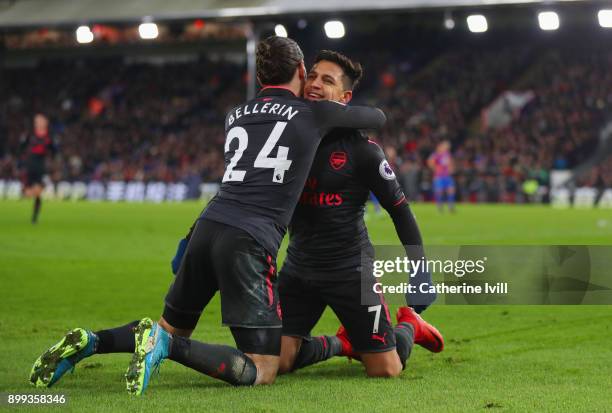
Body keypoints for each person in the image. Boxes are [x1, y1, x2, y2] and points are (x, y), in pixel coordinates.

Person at [29, 36, 386, 395]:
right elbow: (376, 117)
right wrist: (336, 107)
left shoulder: (236, 115)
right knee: (263, 367)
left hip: (207, 227)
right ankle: (161, 346)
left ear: (261, 78)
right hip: (248, 238)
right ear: (300, 71)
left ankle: (92, 341)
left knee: (173, 327)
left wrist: (187, 238)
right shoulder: (313, 113)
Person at [275, 50, 443, 379]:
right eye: (311, 76)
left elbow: (401, 213)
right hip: (299, 268)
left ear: (345, 96)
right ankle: (342, 344)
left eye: (327, 80)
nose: (315, 84)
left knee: (385, 370)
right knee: (277, 362)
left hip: (350, 271)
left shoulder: (363, 151)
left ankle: (409, 326)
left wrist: (420, 272)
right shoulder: (287, 139)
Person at [20, 114, 58, 224]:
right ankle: (27, 192)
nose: (38, 122)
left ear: (45, 123)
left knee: (38, 192)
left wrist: (53, 163)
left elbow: (55, 151)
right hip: (30, 165)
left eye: (40, 120)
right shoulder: (30, 135)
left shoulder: (49, 137)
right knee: (30, 193)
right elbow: (21, 147)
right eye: (36, 121)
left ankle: (34, 217)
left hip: (41, 166)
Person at [427, 140, 456, 213]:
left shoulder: (447, 154)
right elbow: (430, 161)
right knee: (439, 191)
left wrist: (451, 168)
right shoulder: (436, 154)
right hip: (439, 176)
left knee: (451, 190)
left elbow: (450, 163)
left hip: (447, 176)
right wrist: (435, 169)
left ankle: (450, 207)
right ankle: (440, 206)